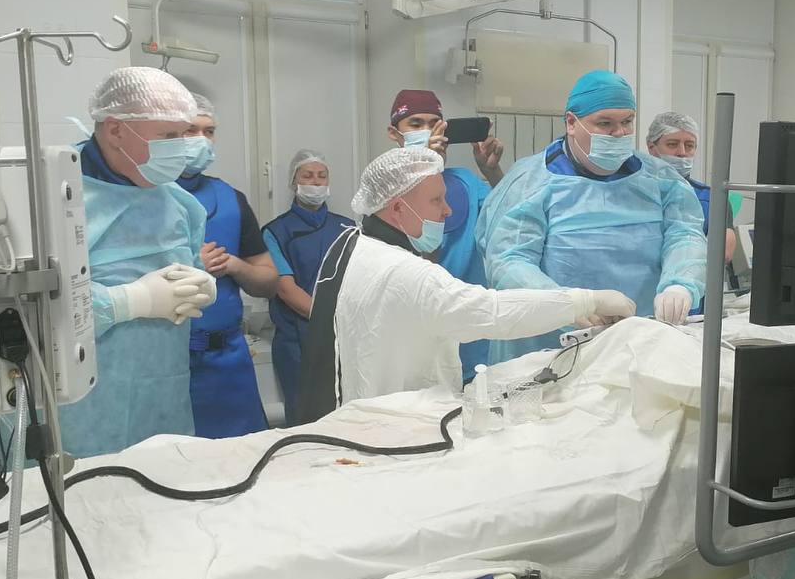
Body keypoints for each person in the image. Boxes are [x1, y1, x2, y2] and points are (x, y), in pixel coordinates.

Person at [0, 67, 216, 466]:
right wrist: (130, 301)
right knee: (66, 495)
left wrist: (201, 285)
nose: (182, 149)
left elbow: (189, 270)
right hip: (71, 413)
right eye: (168, 136)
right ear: (116, 130)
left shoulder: (179, 203)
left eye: (183, 134)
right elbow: (14, 311)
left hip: (159, 401)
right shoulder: (41, 196)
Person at [296, 147, 635, 424]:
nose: (447, 211)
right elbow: (493, 313)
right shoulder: (408, 274)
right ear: (397, 207)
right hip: (397, 426)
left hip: (351, 411)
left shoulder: (348, 244)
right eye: (437, 200)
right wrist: (586, 300)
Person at [476, 70, 708, 363]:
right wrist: (571, 305)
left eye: (627, 122)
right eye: (605, 123)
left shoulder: (660, 180)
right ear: (572, 123)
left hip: (637, 345)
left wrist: (680, 283)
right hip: (549, 350)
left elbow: (685, 234)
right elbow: (508, 262)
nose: (619, 133)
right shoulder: (531, 182)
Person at [178, 93, 278, 438]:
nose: (201, 140)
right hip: (170, 363)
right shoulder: (144, 198)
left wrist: (237, 267)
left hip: (228, 362)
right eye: (190, 131)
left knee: (246, 455)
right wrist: (193, 266)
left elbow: (269, 281)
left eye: (209, 131)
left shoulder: (231, 200)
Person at [387, 89, 503, 379]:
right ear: (394, 134)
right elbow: (422, 261)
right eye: (415, 124)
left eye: (434, 123)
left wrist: (492, 172)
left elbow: (509, 215)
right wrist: (424, 170)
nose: (427, 131)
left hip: (472, 338)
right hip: (419, 335)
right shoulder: (385, 192)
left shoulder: (464, 182)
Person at [262, 149, 354, 421]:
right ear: (294, 182)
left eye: (321, 176)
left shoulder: (347, 228)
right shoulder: (276, 232)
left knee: (347, 414)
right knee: (304, 418)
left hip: (344, 337)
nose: (315, 182)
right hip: (297, 343)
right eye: (308, 176)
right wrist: (330, 319)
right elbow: (286, 289)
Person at [646, 110, 736, 263]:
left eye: (689, 146)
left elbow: (724, 253)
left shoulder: (712, 199)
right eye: (672, 144)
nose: (682, 152)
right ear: (651, 147)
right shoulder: (634, 191)